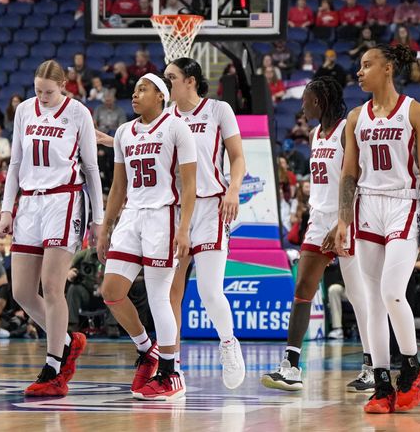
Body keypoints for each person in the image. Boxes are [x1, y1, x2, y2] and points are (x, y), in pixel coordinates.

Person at [331, 44, 420, 413]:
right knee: (373, 302)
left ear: (388, 68)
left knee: (393, 292)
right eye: (358, 66)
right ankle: (381, 384)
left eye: (366, 65)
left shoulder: (416, 113)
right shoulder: (356, 117)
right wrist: (343, 219)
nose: (359, 72)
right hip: (365, 206)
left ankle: (411, 368)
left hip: (404, 205)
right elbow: (348, 173)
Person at [0, 60, 104, 397]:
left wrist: (98, 219)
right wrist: (6, 208)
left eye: (49, 91)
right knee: (22, 292)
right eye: (37, 90)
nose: (42, 96)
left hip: (64, 200)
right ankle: (69, 342)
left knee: (52, 286)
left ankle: (54, 366)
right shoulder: (25, 110)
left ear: (64, 86)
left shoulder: (78, 114)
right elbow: (15, 162)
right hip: (29, 203)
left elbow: (91, 167)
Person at [263, 75, 374, 393]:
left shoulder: (346, 131)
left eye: (307, 100)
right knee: (302, 289)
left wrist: (342, 222)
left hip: (347, 221)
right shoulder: (313, 134)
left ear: (321, 101)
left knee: (357, 295)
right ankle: (291, 366)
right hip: (318, 218)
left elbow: (358, 181)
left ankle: (371, 367)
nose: (302, 106)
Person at [96, 73, 196, 401]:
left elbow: (189, 185)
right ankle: (147, 349)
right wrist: (105, 228)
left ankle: (171, 373)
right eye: (135, 89)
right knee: (111, 291)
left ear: (161, 96)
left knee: (159, 298)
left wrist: (184, 229)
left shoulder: (176, 127)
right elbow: (118, 187)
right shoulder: (124, 131)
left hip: (162, 216)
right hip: (131, 216)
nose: (135, 94)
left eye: (143, 89)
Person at [155, 59, 247, 388]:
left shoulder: (218, 110)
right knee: (170, 292)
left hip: (211, 207)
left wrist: (233, 190)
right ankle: (171, 365)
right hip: (176, 210)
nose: (166, 84)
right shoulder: (163, 118)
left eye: (171, 78)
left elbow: (237, 156)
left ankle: (228, 343)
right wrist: (108, 140)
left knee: (209, 291)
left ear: (190, 81)